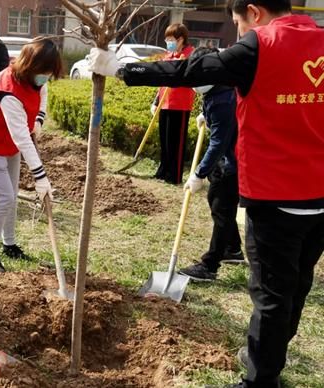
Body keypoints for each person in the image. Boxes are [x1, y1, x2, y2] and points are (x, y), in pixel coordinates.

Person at [118, 1, 324, 387]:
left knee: (272, 296)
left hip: (276, 195)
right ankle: (269, 353)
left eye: (238, 23)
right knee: (297, 284)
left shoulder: (261, 45)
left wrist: (124, 70)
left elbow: (190, 69)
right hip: (319, 195)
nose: (240, 31)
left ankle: (261, 380)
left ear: (254, 12)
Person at [0, 37, 61, 272]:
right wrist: (40, 177)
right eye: (44, 72)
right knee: (3, 198)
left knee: (12, 196)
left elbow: (43, 92)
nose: (46, 78)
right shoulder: (7, 89)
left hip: (10, 147)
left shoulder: (36, 78)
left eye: (48, 73)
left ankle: (9, 244)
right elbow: (21, 136)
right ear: (30, 66)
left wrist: (39, 119)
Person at [178, 47, 245, 282]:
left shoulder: (224, 99)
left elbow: (218, 143)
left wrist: (198, 173)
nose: (195, 83)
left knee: (222, 210)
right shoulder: (221, 86)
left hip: (233, 163)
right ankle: (233, 249)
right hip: (230, 157)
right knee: (218, 203)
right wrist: (206, 114)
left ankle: (210, 265)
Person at [151, 23, 195, 184]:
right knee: (165, 140)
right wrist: (156, 101)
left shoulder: (190, 55)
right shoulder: (168, 56)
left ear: (181, 39)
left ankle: (174, 175)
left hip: (181, 104)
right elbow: (162, 81)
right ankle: (163, 170)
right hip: (165, 103)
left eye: (170, 39)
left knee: (176, 141)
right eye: (166, 39)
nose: (168, 43)